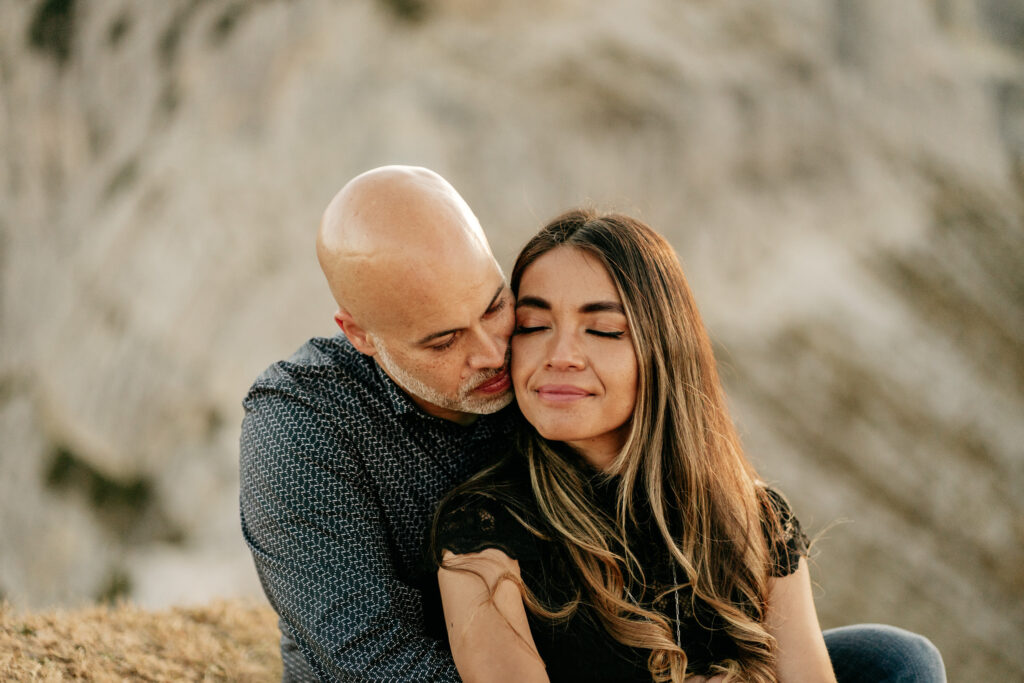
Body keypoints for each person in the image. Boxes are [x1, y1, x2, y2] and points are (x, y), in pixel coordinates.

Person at [432, 210, 947, 682]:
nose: (560, 354)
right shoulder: (483, 532)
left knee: (902, 660)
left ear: (664, 350)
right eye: (534, 326)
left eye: (604, 330)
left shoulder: (751, 515)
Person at [239, 165, 519, 681]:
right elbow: (375, 661)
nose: (492, 352)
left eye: (495, 305)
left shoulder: (543, 353)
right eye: (444, 341)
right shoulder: (300, 427)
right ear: (359, 335)